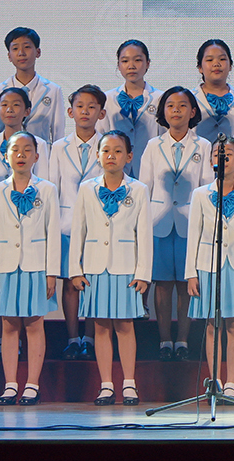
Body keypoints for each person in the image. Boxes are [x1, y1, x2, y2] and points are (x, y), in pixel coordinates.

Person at [70, 131, 152, 407]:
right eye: (106, 150)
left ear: (129, 156)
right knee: (101, 326)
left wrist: (143, 273)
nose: (111, 156)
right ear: (97, 155)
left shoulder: (138, 189)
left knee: (125, 326)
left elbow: (144, 234)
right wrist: (75, 269)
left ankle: (129, 383)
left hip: (126, 266)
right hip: (95, 266)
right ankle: (106, 384)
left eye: (118, 151)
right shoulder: (86, 188)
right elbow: (78, 229)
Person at [0, 132, 60, 405]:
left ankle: (32, 384)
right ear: (6, 155)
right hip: (6, 266)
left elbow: (53, 231)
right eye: (15, 150)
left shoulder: (47, 189)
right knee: (8, 325)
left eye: (27, 150)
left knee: (34, 324)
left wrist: (52, 271)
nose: (21, 155)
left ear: (36, 156)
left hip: (36, 265)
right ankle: (10, 384)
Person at [186, 138, 234, 400]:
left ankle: (231, 382)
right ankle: (215, 380)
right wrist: (191, 273)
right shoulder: (200, 195)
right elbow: (193, 234)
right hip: (209, 265)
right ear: (210, 161)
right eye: (218, 154)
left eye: (228, 153)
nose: (223, 157)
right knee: (212, 324)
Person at [143, 86, 211, 363]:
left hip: (189, 223)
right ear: (163, 112)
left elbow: (206, 187)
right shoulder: (152, 145)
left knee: (185, 285)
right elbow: (144, 187)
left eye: (182, 106)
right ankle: (163, 340)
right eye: (170, 106)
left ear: (192, 112)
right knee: (162, 286)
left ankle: (182, 340)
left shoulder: (204, 146)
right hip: (159, 222)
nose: (176, 111)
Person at [49, 85, 107, 360]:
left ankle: (91, 338)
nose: (85, 111)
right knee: (70, 283)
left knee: (94, 281)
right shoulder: (59, 147)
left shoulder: (109, 144)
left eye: (92, 106)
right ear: (71, 111)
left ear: (101, 112)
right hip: (66, 224)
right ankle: (73, 337)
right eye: (80, 106)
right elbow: (52, 187)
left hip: (98, 226)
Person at [0, 27, 65, 144]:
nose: (21, 53)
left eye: (27, 47)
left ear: (38, 52)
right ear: (9, 56)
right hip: (6, 156)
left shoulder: (53, 90)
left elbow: (58, 134)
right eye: (15, 48)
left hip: (41, 157)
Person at [100, 41, 162, 178]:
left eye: (138, 60)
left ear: (148, 63)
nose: (131, 66)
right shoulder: (107, 99)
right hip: (115, 171)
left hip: (151, 169)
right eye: (125, 61)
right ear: (118, 65)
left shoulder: (160, 99)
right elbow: (101, 136)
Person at [0, 87, 49, 186]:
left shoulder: (39, 144)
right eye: (4, 105)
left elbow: (43, 183)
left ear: (27, 111)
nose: (9, 110)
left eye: (16, 105)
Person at [194, 39, 234, 143]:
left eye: (222, 59)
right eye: (210, 60)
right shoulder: (189, 100)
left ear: (230, 66)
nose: (216, 64)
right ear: (200, 67)